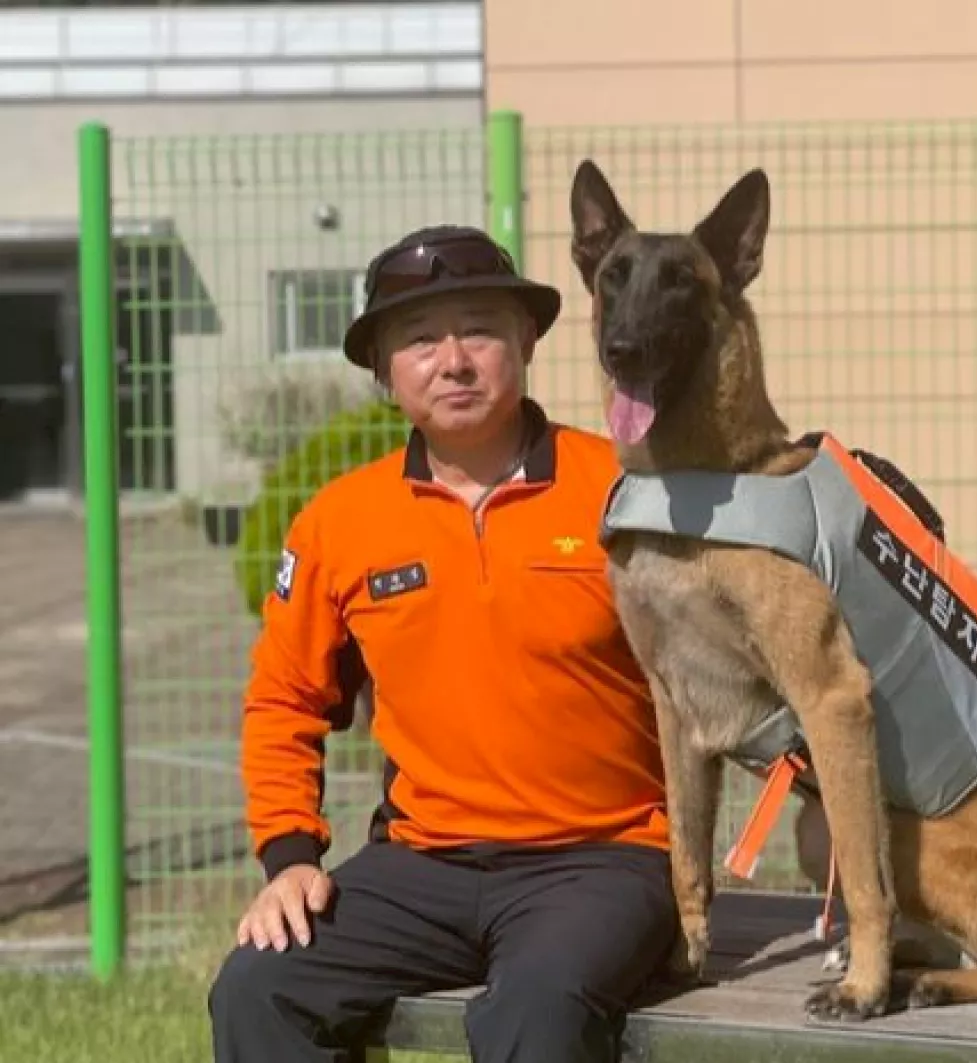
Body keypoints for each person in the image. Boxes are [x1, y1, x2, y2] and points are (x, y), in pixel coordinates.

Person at [208, 225, 679, 1063]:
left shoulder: (625, 490)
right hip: (419, 865)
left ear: (526, 343)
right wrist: (289, 857)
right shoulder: (340, 522)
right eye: (420, 339)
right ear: (384, 372)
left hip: (602, 860)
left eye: (481, 330)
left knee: (534, 1013)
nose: (453, 360)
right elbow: (283, 700)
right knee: (258, 986)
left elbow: (727, 671)